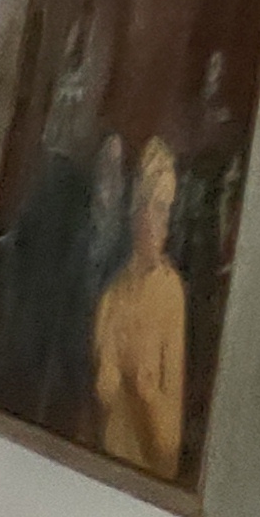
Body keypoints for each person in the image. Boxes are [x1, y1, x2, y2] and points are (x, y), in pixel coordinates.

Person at [91, 136, 189, 479]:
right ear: (135, 211)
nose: (157, 223)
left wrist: (146, 395)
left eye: (164, 209)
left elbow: (170, 443)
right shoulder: (111, 296)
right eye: (150, 206)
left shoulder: (170, 293)